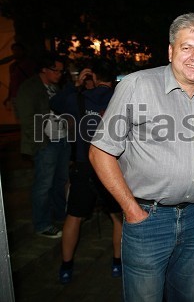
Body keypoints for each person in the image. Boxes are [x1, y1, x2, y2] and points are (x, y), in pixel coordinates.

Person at [88, 12, 194, 302]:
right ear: (171, 50)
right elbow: (99, 152)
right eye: (187, 47)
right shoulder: (136, 85)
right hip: (149, 218)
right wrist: (132, 211)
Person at [49, 59, 123, 284]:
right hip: (113, 166)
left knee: (74, 216)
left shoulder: (78, 98)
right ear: (112, 79)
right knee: (118, 217)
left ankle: (66, 266)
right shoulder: (120, 99)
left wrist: (75, 84)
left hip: (84, 165)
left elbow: (55, 103)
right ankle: (117, 264)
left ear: (94, 77)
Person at [16, 51, 71, 238]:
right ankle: (42, 224)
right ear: (44, 69)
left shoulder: (56, 87)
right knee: (44, 185)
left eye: (62, 72)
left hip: (62, 140)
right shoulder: (29, 88)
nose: (60, 74)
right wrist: (41, 144)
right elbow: (28, 119)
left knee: (60, 182)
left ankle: (59, 216)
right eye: (57, 71)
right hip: (46, 143)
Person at [3, 42, 36, 116]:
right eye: (14, 50)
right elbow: (11, 82)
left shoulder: (29, 63)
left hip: (27, 95)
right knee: (19, 117)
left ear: (23, 51)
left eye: (18, 50)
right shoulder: (12, 66)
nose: (16, 52)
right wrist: (9, 96)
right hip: (16, 95)